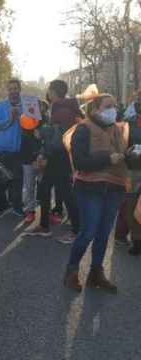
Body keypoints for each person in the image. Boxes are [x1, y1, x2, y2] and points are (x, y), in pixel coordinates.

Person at [64, 94, 128, 292]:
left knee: (102, 233)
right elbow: (80, 162)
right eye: (108, 106)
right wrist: (108, 159)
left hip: (114, 188)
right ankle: (71, 271)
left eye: (115, 106)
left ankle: (96, 273)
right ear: (95, 110)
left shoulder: (118, 130)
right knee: (88, 232)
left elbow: (123, 156)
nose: (113, 110)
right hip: (90, 188)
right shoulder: (83, 129)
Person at [26, 80, 81, 243]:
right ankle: (44, 226)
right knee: (44, 188)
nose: (47, 92)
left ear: (54, 91)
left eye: (49, 89)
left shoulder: (62, 109)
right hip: (56, 155)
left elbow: (60, 136)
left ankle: (77, 230)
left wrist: (42, 133)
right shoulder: (61, 107)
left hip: (60, 155)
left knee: (66, 192)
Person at [0, 79, 25, 217]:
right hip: (3, 149)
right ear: (7, 91)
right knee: (3, 180)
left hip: (18, 149)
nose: (13, 91)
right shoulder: (1, 106)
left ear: (19, 90)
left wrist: (21, 117)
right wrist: (11, 119)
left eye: (15, 88)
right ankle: (1, 205)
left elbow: (30, 126)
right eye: (10, 89)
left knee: (17, 180)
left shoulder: (25, 106)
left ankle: (17, 206)